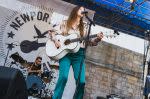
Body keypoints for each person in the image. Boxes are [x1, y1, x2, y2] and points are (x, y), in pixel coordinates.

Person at [49, 6, 103, 99]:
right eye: (80, 9)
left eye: (84, 10)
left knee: (81, 82)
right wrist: (55, 40)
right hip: (65, 54)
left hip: (79, 55)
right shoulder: (65, 23)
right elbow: (52, 32)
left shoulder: (85, 26)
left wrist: (97, 39)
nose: (83, 10)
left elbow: (91, 42)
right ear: (75, 11)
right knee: (63, 78)